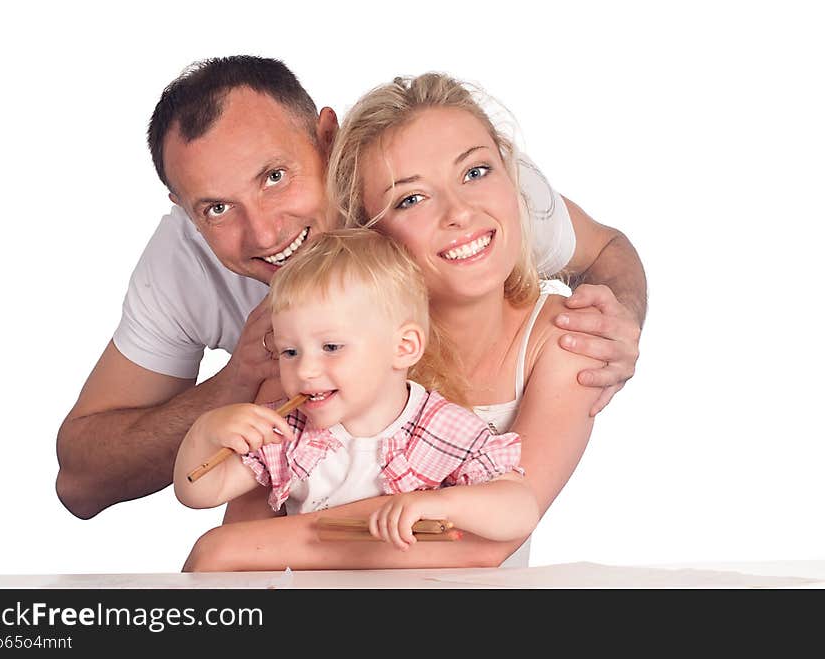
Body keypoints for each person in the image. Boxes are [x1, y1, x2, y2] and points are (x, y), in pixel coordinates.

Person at [56, 56, 645, 523]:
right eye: (215, 207)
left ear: (329, 139)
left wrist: (619, 319)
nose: (264, 231)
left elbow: (606, 251)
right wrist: (236, 381)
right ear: (183, 210)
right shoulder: (184, 266)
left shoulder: (454, 198)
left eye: (275, 176)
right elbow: (80, 483)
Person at [181, 72, 609, 571]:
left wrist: (223, 549)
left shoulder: (568, 338)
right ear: (369, 232)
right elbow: (245, 540)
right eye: (410, 198)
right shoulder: (319, 356)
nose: (460, 212)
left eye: (475, 172)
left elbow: (489, 538)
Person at [173, 229, 535, 550]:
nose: (306, 369)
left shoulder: (439, 427)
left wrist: (439, 505)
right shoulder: (290, 431)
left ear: (403, 347)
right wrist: (206, 433)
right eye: (289, 351)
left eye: (331, 347)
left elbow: (519, 509)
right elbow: (200, 492)